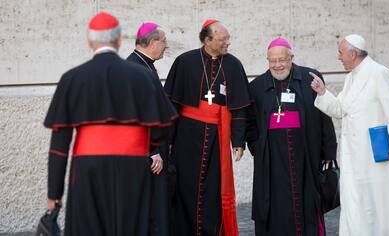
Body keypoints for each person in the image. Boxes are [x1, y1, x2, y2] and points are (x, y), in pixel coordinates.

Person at [44, 12, 177, 235]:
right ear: (118, 41)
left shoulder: (72, 78)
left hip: (88, 169)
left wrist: (54, 195)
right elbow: (161, 128)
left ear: (89, 41)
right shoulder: (142, 76)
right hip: (133, 167)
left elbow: (59, 146)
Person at [311, 34, 389, 235]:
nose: (338, 58)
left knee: (385, 207)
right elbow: (341, 110)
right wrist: (323, 92)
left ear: (352, 53)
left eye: (341, 53)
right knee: (359, 205)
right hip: (356, 157)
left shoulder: (379, 73)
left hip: (380, 158)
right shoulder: (351, 77)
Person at [163, 19, 251, 236]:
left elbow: (239, 109)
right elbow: (171, 105)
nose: (227, 43)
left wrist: (238, 141)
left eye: (227, 39)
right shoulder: (185, 61)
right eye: (222, 39)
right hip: (186, 136)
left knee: (213, 189)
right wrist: (168, 142)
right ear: (207, 39)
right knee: (186, 187)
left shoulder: (233, 64)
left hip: (217, 138)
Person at [246, 37, 337, 236]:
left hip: (306, 156)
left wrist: (328, 152)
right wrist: (259, 150)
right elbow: (250, 124)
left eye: (282, 60)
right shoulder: (257, 86)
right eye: (273, 61)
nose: (278, 65)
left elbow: (324, 116)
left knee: (307, 207)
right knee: (275, 210)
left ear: (291, 57)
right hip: (272, 162)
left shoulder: (310, 78)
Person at [126, 21, 172, 236]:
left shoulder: (143, 64)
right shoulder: (135, 68)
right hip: (147, 153)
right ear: (153, 42)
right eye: (163, 42)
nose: (166, 46)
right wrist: (152, 150)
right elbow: (135, 114)